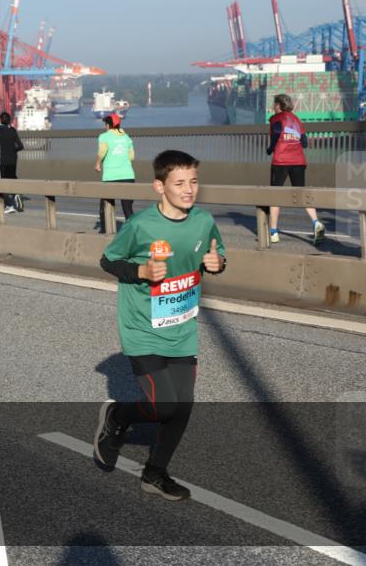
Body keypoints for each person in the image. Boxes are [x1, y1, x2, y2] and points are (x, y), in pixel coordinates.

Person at [94, 149, 226, 501]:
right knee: (163, 405)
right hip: (142, 327)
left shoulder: (203, 222)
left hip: (182, 327)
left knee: (182, 406)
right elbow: (108, 261)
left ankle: (154, 474)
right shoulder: (140, 226)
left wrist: (217, 263)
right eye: (179, 183)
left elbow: (217, 253)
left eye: (193, 181)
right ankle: (118, 418)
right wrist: (140, 271)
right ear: (159, 186)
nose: (189, 190)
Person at [266, 93, 325, 245]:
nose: (273, 107)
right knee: (301, 192)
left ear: (278, 105)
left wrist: (270, 147)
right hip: (299, 160)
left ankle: (273, 232)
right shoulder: (297, 120)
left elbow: (278, 131)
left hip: (281, 160)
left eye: (274, 104)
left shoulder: (276, 118)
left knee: (275, 195)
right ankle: (316, 222)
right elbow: (304, 143)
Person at [95, 114, 136, 233]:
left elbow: (102, 151)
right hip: (128, 176)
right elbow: (132, 156)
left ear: (108, 125)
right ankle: (131, 232)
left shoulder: (105, 136)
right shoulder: (126, 137)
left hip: (110, 177)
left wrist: (97, 163)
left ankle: (105, 231)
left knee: (105, 205)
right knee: (127, 208)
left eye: (105, 125)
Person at [0, 111, 24, 213]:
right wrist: (12, 150)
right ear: (9, 120)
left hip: (2, 161)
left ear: (1, 120)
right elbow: (20, 146)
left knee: (1, 182)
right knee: (12, 178)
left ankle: (9, 206)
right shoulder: (13, 131)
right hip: (13, 160)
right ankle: (16, 196)